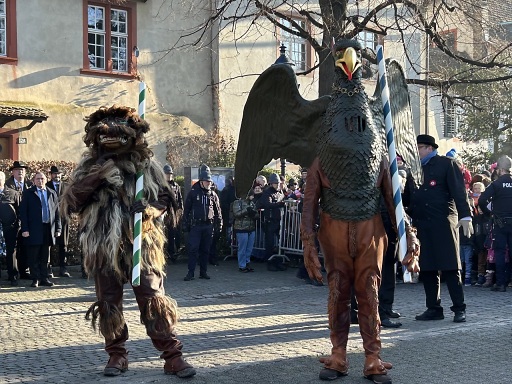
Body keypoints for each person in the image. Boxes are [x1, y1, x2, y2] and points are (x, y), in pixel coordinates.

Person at [60, 105, 195, 378]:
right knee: (109, 302)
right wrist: (98, 176)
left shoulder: (146, 167)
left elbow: (167, 198)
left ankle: (172, 355)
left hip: (142, 246)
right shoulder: (89, 167)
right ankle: (117, 355)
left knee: (153, 298)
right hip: (103, 247)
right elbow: (71, 201)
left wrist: (150, 211)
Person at [403, 134, 472, 323]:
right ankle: (433, 308)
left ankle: (459, 308)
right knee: (428, 268)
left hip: (443, 222)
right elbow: (408, 197)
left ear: (429, 148)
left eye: (418, 148)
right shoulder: (414, 169)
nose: (416, 152)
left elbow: (459, 191)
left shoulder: (446, 164)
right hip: (422, 225)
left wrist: (465, 215)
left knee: (450, 267)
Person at [19, 171, 61, 288]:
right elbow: (23, 213)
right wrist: (25, 229)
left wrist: (58, 228)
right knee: (34, 256)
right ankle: (35, 279)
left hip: (48, 228)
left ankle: (44, 278)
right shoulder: (28, 193)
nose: (40, 181)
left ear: (46, 180)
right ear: (34, 180)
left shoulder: (51, 193)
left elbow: (57, 212)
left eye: (42, 179)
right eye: (37, 179)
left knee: (45, 256)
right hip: (33, 229)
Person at [478, 155, 512, 292]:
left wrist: (488, 214)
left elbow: (481, 200)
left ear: (500, 169)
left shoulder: (496, 184)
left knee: (499, 252)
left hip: (500, 223)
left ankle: (501, 283)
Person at [182, 164, 222, 281]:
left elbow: (217, 211)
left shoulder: (213, 194)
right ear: (201, 182)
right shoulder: (193, 192)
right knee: (193, 249)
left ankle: (203, 272)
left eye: (210, 182)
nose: (209, 183)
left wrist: (219, 224)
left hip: (208, 225)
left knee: (205, 249)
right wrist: (185, 223)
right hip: (196, 225)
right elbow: (187, 209)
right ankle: (191, 272)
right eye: (207, 181)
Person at [6, 161, 33, 279]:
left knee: (26, 247)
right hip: (12, 223)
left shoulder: (31, 184)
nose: (20, 171)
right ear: (13, 172)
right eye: (17, 170)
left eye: (22, 170)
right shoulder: (7, 185)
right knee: (12, 248)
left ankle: (25, 271)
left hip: (27, 222)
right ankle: (13, 273)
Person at [256, 172, 286, 271]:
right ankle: (270, 263)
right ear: (271, 183)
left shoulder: (280, 192)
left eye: (278, 183)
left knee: (280, 243)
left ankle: (278, 262)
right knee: (270, 243)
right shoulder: (267, 192)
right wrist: (280, 204)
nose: (277, 185)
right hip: (270, 221)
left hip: (278, 220)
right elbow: (267, 204)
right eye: (275, 183)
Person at [46, 165, 71, 278]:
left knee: (63, 245)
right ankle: (48, 268)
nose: (57, 176)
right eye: (55, 174)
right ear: (51, 175)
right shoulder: (46, 186)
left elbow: (71, 201)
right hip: (51, 219)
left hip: (64, 218)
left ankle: (63, 268)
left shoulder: (67, 186)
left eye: (58, 174)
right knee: (49, 244)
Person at [0, 171, 21, 286]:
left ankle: (12, 276)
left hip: (9, 228)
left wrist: (18, 225)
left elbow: (20, 211)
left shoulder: (13, 193)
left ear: (4, 180)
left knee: (11, 252)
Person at [231, 189, 257, 273]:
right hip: (241, 228)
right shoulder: (237, 202)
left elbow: (257, 215)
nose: (253, 197)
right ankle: (242, 265)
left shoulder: (252, 203)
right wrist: (246, 211)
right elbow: (236, 214)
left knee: (249, 248)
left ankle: (247, 262)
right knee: (242, 248)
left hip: (251, 228)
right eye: (251, 195)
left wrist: (254, 214)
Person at [163, 164, 183, 263]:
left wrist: (180, 211)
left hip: (173, 213)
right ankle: (163, 255)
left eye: (170, 174)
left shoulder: (176, 186)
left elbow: (180, 200)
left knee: (173, 235)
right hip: (163, 212)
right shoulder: (161, 185)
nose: (169, 176)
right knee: (163, 235)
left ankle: (172, 254)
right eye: (167, 174)